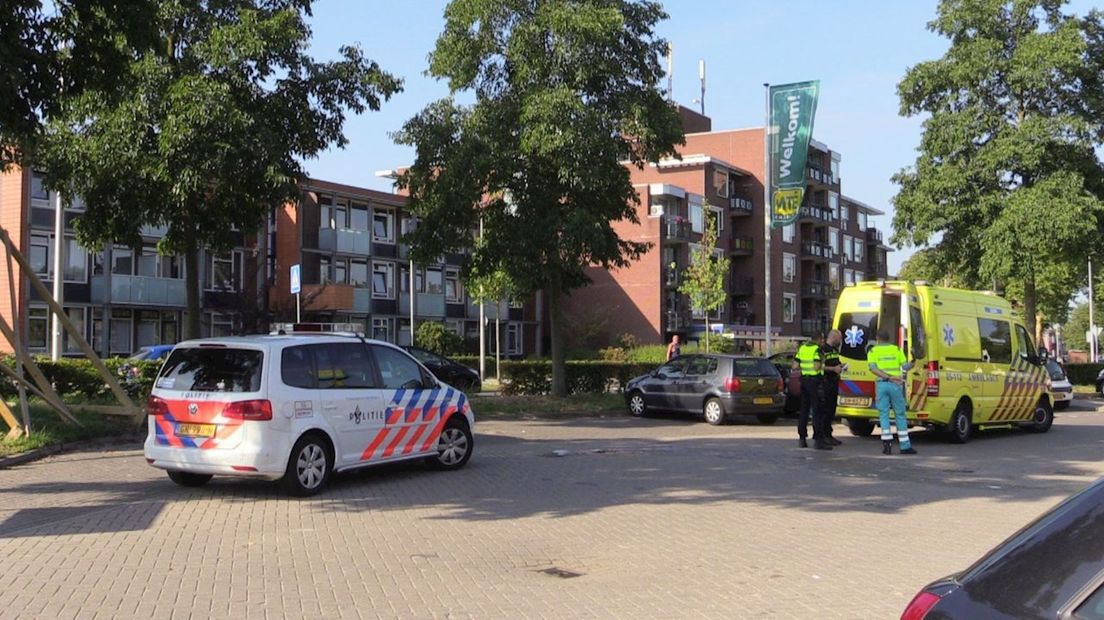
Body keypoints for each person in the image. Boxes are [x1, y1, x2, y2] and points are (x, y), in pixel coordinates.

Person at [868, 329, 917, 455]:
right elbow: (905, 367)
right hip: (896, 385)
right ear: (889, 338)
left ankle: (887, 445)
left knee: (883, 414)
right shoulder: (896, 350)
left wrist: (886, 376)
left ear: (877, 338)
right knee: (900, 414)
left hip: (882, 385)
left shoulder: (873, 351)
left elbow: (873, 369)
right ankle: (905, 446)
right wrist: (913, 362)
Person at [793, 333, 829, 449]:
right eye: (822, 339)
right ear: (819, 339)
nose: (823, 341)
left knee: (804, 410)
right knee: (817, 411)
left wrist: (804, 368)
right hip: (815, 382)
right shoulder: (817, 350)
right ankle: (818, 440)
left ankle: (802, 438)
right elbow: (817, 366)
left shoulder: (802, 348)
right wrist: (824, 364)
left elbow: (794, 366)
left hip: (804, 382)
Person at [820, 329, 845, 446]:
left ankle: (829, 434)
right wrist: (834, 369)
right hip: (826, 383)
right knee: (825, 411)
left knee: (831, 410)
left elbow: (835, 363)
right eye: (839, 338)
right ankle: (824, 435)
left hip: (834, 382)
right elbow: (819, 366)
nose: (840, 341)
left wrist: (841, 367)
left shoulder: (834, 350)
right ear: (834, 337)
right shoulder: (823, 350)